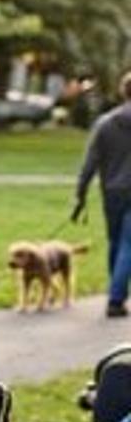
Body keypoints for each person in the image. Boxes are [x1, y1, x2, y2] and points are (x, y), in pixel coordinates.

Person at [71, 70, 131, 317]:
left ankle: (116, 293)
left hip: (113, 192)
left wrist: (80, 197)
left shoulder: (105, 123)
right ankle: (116, 299)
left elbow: (89, 164)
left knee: (117, 242)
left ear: (123, 91)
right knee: (127, 244)